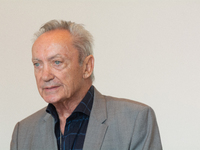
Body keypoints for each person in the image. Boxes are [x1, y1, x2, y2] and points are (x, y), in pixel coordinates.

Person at [10, 20, 162, 150]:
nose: (45, 75)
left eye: (57, 62)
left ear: (87, 67)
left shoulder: (135, 119)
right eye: (37, 64)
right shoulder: (22, 133)